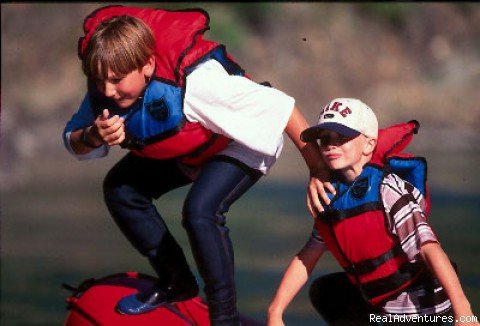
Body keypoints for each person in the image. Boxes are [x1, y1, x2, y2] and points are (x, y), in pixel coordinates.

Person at [62, 5, 332, 326]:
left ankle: (224, 318)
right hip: (189, 152)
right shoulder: (104, 87)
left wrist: (316, 169)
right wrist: (93, 136)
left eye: (117, 80)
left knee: (200, 211)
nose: (108, 90)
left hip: (243, 143)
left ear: (147, 66)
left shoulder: (197, 83)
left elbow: (283, 108)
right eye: (100, 80)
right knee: (120, 189)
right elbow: (73, 141)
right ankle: (177, 281)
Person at [267, 98, 478, 326]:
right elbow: (308, 254)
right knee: (326, 291)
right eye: (325, 139)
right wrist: (275, 312)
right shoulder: (332, 197)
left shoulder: (387, 189)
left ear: (369, 145)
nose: (331, 145)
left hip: (424, 310)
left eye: (342, 137)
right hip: (384, 310)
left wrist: (464, 313)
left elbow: (430, 250)